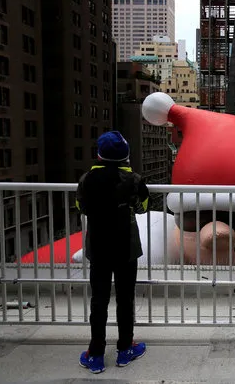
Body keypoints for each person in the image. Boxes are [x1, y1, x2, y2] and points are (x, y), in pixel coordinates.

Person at [76, 131, 149, 373]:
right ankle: (125, 350)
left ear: (99, 154)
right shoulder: (134, 180)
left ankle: (95, 353)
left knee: (99, 301)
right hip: (126, 248)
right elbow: (144, 207)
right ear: (126, 156)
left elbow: (82, 207)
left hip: (98, 247)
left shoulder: (87, 179)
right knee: (125, 299)